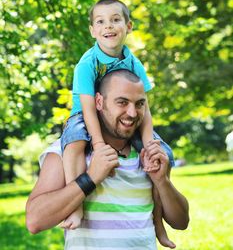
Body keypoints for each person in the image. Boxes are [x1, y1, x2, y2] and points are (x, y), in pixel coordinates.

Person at [26, 70, 189, 250]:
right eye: (122, 102)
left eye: (139, 104)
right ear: (99, 102)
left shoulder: (148, 154)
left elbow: (181, 222)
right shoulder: (68, 151)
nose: (132, 113)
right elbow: (35, 221)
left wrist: (162, 182)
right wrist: (90, 178)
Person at [60, 0, 172, 246]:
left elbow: (145, 106)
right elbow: (88, 107)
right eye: (100, 22)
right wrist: (98, 143)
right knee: (74, 143)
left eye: (115, 20)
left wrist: (149, 142)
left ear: (128, 26)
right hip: (85, 115)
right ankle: (75, 205)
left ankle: (158, 223)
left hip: (120, 117)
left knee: (162, 155)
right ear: (92, 30)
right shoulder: (87, 64)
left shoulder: (133, 62)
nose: (108, 26)